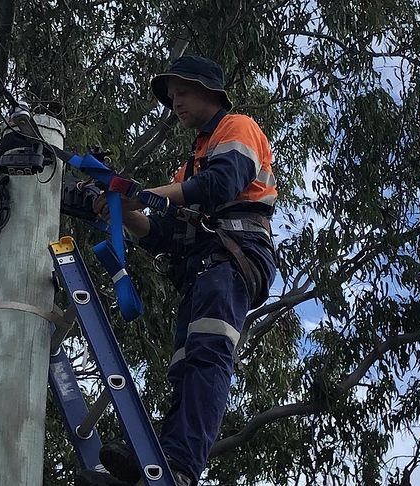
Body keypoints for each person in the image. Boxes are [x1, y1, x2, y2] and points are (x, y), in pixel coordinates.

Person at [77, 55, 277, 486]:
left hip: (234, 255)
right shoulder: (188, 167)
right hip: (205, 266)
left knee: (207, 357)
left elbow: (220, 185)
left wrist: (136, 194)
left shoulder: (237, 127)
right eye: (171, 97)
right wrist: (119, 208)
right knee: (185, 367)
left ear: (208, 91)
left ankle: (181, 468)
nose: (175, 103)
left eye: (182, 92)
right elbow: (162, 234)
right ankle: (165, 459)